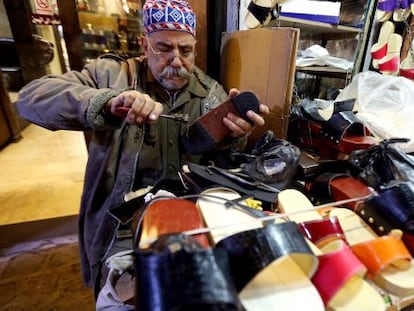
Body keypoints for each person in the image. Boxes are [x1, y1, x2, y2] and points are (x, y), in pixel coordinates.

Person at [16, 0, 269, 301]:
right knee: (125, 298)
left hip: (187, 216)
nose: (176, 60)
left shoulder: (210, 92)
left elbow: (222, 170)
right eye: (164, 48)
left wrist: (232, 138)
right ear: (144, 45)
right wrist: (107, 103)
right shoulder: (111, 75)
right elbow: (31, 98)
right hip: (122, 223)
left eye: (185, 50)